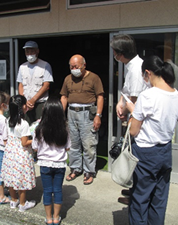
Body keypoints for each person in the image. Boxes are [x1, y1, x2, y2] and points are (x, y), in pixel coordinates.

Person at [125, 56, 178, 225]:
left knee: (139, 199)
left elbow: (134, 131)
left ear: (148, 73)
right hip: (165, 150)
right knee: (159, 200)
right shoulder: (176, 95)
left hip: (146, 153)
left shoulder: (147, 95)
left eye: (144, 76)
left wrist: (132, 111)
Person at [110, 34, 146, 204]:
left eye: (115, 52)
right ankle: (133, 189)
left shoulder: (137, 68)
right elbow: (126, 91)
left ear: (121, 53)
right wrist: (120, 103)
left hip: (137, 120)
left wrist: (125, 109)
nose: (114, 56)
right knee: (131, 152)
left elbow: (136, 99)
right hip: (131, 114)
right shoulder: (130, 66)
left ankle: (136, 194)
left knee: (134, 156)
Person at [60, 54, 104, 185]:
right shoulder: (68, 79)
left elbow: (100, 97)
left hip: (87, 113)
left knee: (88, 144)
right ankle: (75, 168)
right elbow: (64, 97)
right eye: (71, 67)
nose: (74, 69)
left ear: (84, 65)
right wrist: (60, 114)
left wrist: (98, 115)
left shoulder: (94, 78)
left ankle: (89, 171)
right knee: (73, 144)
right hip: (71, 113)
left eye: (76, 66)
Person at [32, 97, 71, 225]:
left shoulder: (39, 128)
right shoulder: (65, 128)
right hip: (59, 164)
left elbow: (34, 147)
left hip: (44, 164)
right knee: (58, 190)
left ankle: (49, 219)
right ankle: (56, 217)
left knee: (47, 191)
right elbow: (68, 147)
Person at [0, 95, 36, 212]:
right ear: (23, 107)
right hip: (21, 154)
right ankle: (22, 203)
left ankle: (13, 200)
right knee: (21, 179)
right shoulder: (24, 124)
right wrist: (36, 139)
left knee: (11, 178)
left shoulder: (8, 120)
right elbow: (25, 142)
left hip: (10, 153)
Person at [16, 40, 54, 124]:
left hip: (40, 103)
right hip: (26, 103)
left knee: (40, 126)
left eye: (32, 51)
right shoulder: (22, 67)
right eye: (27, 51)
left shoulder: (45, 65)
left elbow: (46, 85)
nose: (29, 54)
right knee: (26, 126)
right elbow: (20, 85)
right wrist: (24, 101)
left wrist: (33, 100)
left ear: (37, 51)